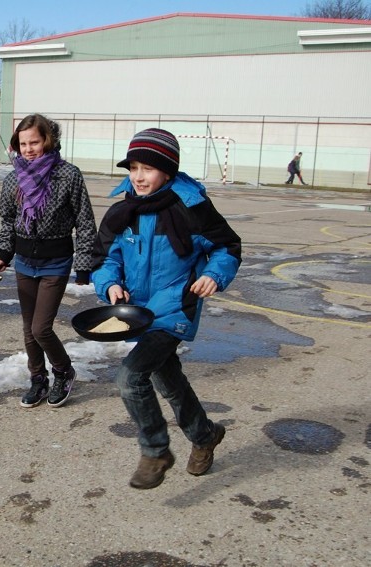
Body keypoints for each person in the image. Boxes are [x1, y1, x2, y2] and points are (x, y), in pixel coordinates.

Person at [91, 128, 242, 489]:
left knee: (130, 377)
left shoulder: (191, 209)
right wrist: (109, 283)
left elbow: (227, 246)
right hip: (138, 312)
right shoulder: (122, 210)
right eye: (133, 168)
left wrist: (213, 275)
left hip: (176, 307)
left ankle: (156, 450)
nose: (138, 176)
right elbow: (104, 258)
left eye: (148, 168)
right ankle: (205, 435)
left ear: (168, 171)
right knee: (166, 379)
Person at [0, 114, 97, 408]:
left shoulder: (68, 175)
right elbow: (8, 221)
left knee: (41, 328)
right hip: (25, 261)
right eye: (23, 143)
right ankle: (38, 380)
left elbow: (85, 221)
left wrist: (84, 264)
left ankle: (63, 371)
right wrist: (3, 254)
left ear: (47, 141)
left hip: (56, 262)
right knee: (28, 329)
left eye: (34, 142)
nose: (28, 149)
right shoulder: (14, 178)